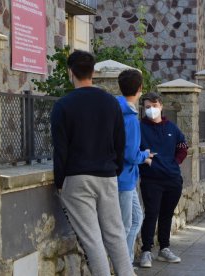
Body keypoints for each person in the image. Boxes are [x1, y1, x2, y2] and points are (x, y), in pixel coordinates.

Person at [51, 50, 133, 276]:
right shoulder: (111, 102)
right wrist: (113, 169)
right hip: (107, 176)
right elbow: (120, 142)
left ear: (70, 72)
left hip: (77, 178)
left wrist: (60, 181)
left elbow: (61, 149)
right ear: (93, 72)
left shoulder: (63, 105)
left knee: (92, 239)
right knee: (115, 234)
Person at [138, 92, 188, 268]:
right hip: (151, 179)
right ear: (143, 109)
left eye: (154, 106)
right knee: (151, 214)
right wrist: (145, 162)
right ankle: (146, 251)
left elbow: (183, 146)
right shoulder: (139, 127)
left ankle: (164, 248)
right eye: (147, 107)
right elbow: (132, 151)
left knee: (167, 214)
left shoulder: (172, 128)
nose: (151, 109)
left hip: (173, 179)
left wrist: (175, 162)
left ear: (161, 106)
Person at [116, 69, 154, 268]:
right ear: (140, 88)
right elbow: (130, 154)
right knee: (124, 225)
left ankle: (127, 262)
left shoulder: (115, 108)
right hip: (124, 179)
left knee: (136, 219)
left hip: (124, 177)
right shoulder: (130, 118)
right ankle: (123, 265)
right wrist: (144, 155)